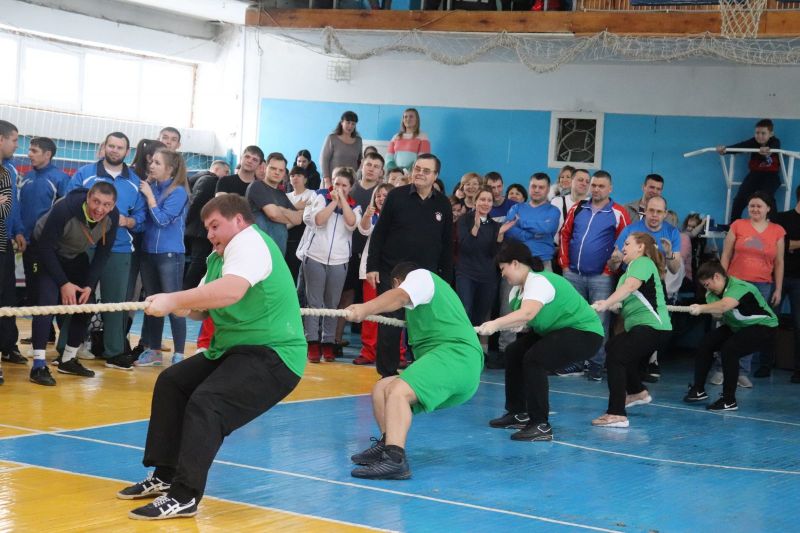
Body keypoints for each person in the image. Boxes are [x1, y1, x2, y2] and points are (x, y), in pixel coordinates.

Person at [118, 193, 306, 520]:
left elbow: (231, 291)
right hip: (235, 350)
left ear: (238, 221)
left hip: (274, 354)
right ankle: (165, 475)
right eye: (207, 228)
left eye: (215, 226)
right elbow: (202, 308)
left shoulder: (249, 242)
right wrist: (174, 304)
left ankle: (184, 496)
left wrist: (174, 299)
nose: (209, 234)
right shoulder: (219, 257)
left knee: (207, 402)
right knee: (172, 383)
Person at [346, 262, 483, 479]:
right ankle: (388, 444)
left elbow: (399, 297)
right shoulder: (425, 304)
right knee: (382, 388)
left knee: (397, 391)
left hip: (457, 357)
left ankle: (395, 460)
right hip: (453, 362)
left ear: (397, 282)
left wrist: (365, 308)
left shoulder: (421, 276)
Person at [478, 242, 604, 441]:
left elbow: (527, 313)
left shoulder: (538, 281)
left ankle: (540, 425)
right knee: (514, 351)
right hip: (557, 330)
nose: (502, 274)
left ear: (515, 263)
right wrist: (510, 325)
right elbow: (526, 320)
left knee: (535, 359)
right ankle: (518, 413)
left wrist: (495, 324)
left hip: (585, 333)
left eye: (503, 269)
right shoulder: (517, 292)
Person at [366, 154, 453, 378]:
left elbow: (446, 244)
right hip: (391, 272)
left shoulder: (443, 204)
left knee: (423, 325)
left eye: (426, 170)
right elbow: (379, 233)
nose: (420, 173)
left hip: (425, 277)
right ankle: (387, 374)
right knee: (389, 323)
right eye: (417, 168)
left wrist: (445, 279)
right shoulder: (396, 196)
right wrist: (372, 266)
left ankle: (422, 371)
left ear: (435, 176)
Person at [66, 131, 146, 370]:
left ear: (127, 152)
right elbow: (68, 203)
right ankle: (66, 350)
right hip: (84, 246)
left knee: (115, 302)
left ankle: (115, 352)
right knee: (77, 299)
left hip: (119, 249)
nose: (114, 150)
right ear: (104, 147)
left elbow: (141, 218)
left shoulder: (135, 182)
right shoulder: (85, 174)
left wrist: (127, 221)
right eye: (111, 146)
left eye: (119, 147)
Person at [27, 183, 120, 385]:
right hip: (44, 252)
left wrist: (89, 285)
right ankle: (38, 366)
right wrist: (63, 283)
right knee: (46, 304)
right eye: (96, 202)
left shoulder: (113, 217)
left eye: (106, 204)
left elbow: (103, 254)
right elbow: (45, 247)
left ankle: (68, 359)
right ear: (88, 198)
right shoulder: (65, 208)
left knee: (87, 304)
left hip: (73, 256)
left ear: (113, 206)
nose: (100, 209)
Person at [590, 233, 672, 428]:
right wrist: (613, 305)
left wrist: (606, 303)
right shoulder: (628, 272)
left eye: (627, 244)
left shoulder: (642, 262)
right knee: (613, 347)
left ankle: (617, 413)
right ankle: (637, 392)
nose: (623, 248)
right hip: (644, 328)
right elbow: (628, 297)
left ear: (641, 247)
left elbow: (630, 287)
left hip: (653, 327)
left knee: (617, 354)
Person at [557, 170, 631, 380]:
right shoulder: (578, 208)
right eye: (594, 185)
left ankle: (596, 364)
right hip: (573, 274)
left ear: (610, 188)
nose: (596, 189)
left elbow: (625, 243)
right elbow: (564, 235)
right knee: (574, 320)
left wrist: (609, 270)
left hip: (601, 277)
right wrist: (565, 264)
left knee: (599, 321)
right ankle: (576, 362)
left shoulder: (619, 212)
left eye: (601, 186)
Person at [684, 261, 778, 411]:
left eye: (707, 284)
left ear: (717, 276)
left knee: (730, 350)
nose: (707, 288)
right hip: (738, 326)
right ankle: (698, 389)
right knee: (706, 343)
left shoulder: (739, 287)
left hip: (764, 327)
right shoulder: (711, 294)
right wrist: (708, 309)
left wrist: (701, 308)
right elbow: (718, 314)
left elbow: (724, 306)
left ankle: (729, 400)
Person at [716, 191, 784, 384]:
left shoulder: (777, 231)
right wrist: (721, 282)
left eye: (759, 206)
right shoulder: (738, 225)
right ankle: (721, 369)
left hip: (762, 286)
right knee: (729, 324)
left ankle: (742, 373)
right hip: (735, 283)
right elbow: (726, 255)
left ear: (768, 208)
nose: (755, 209)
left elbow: (779, 262)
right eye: (752, 205)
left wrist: (778, 289)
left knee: (752, 329)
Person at [134, 149, 190, 367]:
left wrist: (149, 196)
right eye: (152, 162)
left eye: (157, 163)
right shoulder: (153, 187)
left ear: (170, 168)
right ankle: (154, 350)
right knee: (153, 303)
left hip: (170, 254)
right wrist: (148, 191)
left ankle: (179, 354)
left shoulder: (178, 192)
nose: (151, 166)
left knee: (174, 305)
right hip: (148, 253)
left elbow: (162, 221)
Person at [299, 167, 361, 362]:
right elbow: (318, 220)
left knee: (332, 304)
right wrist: (333, 201)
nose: (339, 188)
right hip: (315, 257)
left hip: (339, 261)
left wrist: (343, 201)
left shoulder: (355, 206)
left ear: (350, 187)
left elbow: (352, 223)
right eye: (336, 184)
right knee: (314, 302)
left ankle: (328, 343)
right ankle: (312, 343)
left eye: (344, 185)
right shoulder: (320, 197)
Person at [333, 151, 386, 356]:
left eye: (376, 166)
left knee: (371, 302)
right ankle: (335, 339)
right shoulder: (349, 188)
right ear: (362, 166)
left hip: (372, 257)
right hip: (346, 250)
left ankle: (372, 347)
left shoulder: (383, 194)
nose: (371, 169)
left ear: (381, 172)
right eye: (368, 164)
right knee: (343, 297)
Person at [18, 137, 69, 346]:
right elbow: (20, 208)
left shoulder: (60, 179)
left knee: (47, 291)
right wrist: (20, 233)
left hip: (47, 247)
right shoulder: (27, 177)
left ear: (47, 154)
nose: (29, 154)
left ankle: (63, 338)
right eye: (29, 150)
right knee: (33, 290)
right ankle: (44, 334)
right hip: (27, 244)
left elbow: (66, 213)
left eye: (34, 150)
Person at [354, 183, 396, 365]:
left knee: (395, 314)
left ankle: (398, 353)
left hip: (393, 271)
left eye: (385, 195)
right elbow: (363, 230)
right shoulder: (373, 216)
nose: (381, 198)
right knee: (369, 312)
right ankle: (368, 351)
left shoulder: (399, 217)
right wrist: (366, 216)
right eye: (378, 195)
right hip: (371, 271)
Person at [717, 119, 781, 222]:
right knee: (740, 197)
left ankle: (773, 224)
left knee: (767, 196)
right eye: (757, 133)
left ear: (771, 134)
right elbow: (740, 146)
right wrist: (725, 150)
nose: (759, 136)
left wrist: (768, 149)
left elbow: (774, 146)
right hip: (754, 174)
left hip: (771, 175)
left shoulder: (775, 141)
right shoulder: (753, 142)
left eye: (763, 133)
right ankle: (733, 223)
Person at [0, 120, 25, 369]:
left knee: (8, 296)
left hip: (5, 242)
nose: (17, 145)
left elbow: (13, 203)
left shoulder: (10, 170)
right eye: (14, 140)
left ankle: (7, 346)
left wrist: (18, 230)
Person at [184, 161, 230, 289]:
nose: (227, 175)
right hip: (199, 230)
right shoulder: (210, 180)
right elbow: (196, 203)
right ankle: (187, 290)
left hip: (195, 228)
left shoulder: (200, 179)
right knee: (198, 262)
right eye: (226, 172)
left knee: (196, 261)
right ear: (216, 169)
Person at [246, 152, 303, 255]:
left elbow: (298, 219)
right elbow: (273, 214)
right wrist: (288, 215)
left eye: (281, 170)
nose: (277, 172)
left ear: (284, 173)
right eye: (273, 168)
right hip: (258, 251)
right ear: (265, 168)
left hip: (278, 254)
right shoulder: (257, 186)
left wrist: (281, 209)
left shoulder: (281, 194)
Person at [609, 196, 682, 275]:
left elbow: (674, 270)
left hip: (656, 279)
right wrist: (614, 261)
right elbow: (613, 267)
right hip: (629, 276)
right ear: (645, 210)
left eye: (659, 212)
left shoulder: (673, 232)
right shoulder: (629, 230)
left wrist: (669, 253)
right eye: (651, 210)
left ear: (665, 214)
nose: (654, 214)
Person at [504, 173, 560, 271]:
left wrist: (520, 222)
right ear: (529, 187)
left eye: (541, 187)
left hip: (543, 261)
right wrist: (531, 234)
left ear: (547, 190)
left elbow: (546, 228)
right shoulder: (516, 208)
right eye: (533, 186)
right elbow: (508, 230)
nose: (536, 190)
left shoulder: (553, 211)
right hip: (516, 262)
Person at [773, 187, 800, 383]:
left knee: (799, 325)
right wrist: (791, 244)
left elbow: (789, 244)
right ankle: (765, 364)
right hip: (778, 277)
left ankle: (798, 369)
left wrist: (793, 243)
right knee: (769, 321)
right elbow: (780, 246)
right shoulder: (782, 218)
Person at [285, 166, 317, 282]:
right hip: (287, 239)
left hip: (304, 238)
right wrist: (297, 208)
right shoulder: (286, 196)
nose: (295, 178)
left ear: (305, 179)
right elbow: (281, 216)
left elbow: (306, 216)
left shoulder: (312, 194)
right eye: (292, 175)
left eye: (299, 175)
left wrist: (289, 212)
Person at [320, 111, 362, 185]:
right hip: (332, 181)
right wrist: (327, 180)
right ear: (342, 122)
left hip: (350, 183)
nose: (350, 126)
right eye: (348, 122)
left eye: (353, 124)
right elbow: (324, 160)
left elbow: (360, 160)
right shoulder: (332, 138)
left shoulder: (358, 140)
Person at [385, 108, 431, 174]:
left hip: (413, 174)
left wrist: (406, 172)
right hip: (395, 173)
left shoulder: (423, 137)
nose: (408, 119)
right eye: (405, 117)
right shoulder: (395, 137)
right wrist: (396, 170)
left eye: (411, 116)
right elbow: (389, 157)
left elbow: (422, 159)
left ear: (417, 119)